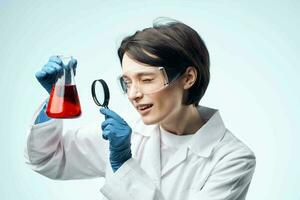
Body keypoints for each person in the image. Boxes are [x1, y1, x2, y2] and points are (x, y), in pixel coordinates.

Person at [25, 18, 256, 200]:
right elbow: (46, 158)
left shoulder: (233, 159)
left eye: (146, 79)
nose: (133, 94)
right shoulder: (122, 137)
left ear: (188, 78)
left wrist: (124, 163)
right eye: (127, 82)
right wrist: (58, 95)